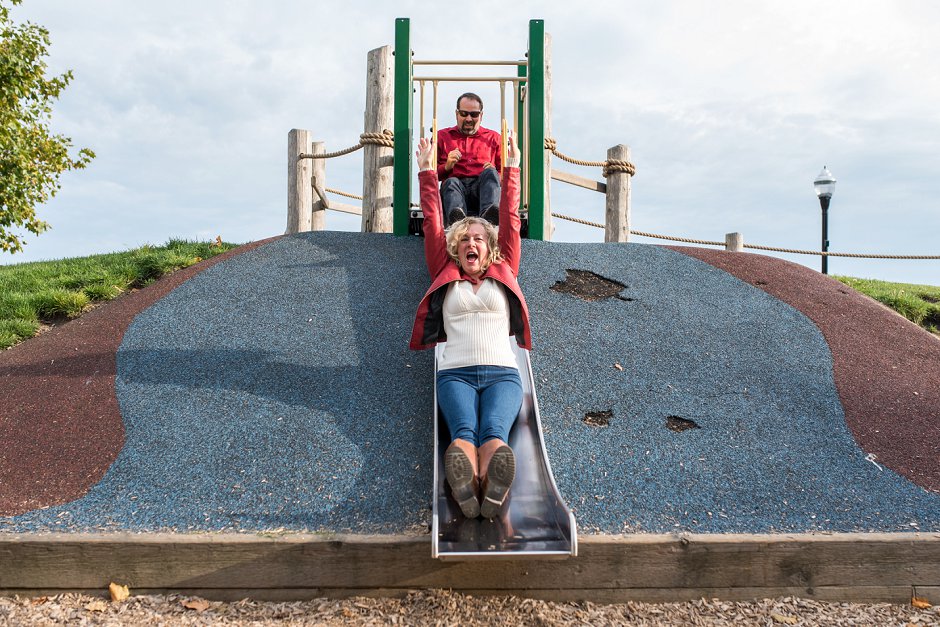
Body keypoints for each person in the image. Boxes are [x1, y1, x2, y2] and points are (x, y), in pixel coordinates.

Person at [410, 132, 531, 520]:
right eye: (465, 238)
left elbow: (510, 220)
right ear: (456, 247)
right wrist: (428, 171)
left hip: (503, 375)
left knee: (494, 432)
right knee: (463, 431)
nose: (472, 242)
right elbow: (431, 222)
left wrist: (511, 167)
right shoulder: (444, 272)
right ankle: (469, 483)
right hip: (455, 375)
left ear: (490, 247)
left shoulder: (504, 270)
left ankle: (489, 484)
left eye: (479, 238)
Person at [436, 92, 503, 227]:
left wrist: (495, 172)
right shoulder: (442, 136)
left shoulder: (494, 138)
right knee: (451, 182)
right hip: (456, 191)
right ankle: (457, 221)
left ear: (481, 115)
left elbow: (506, 175)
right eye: (464, 113)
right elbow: (430, 175)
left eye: (474, 114)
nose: (468, 118)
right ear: (457, 114)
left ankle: (490, 217)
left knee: (490, 173)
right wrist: (447, 166)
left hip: (482, 190)